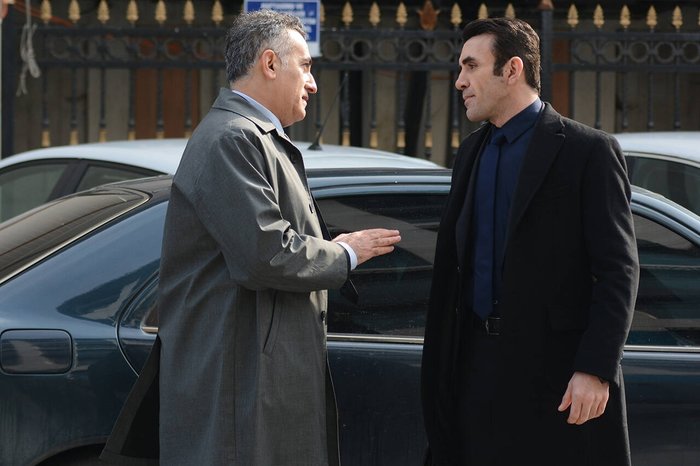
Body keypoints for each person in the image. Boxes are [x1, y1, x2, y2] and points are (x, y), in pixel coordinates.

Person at [101, 9, 401, 466]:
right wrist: (346, 252)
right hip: (240, 385)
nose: (312, 83)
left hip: (251, 378)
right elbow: (267, 254)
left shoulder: (250, 136)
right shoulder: (232, 138)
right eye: (306, 66)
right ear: (270, 63)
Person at [421, 17, 639, 466]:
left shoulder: (587, 151)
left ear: (512, 69)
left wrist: (595, 368)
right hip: (474, 370)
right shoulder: (471, 152)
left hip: (556, 379)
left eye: (471, 66)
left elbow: (618, 269)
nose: (459, 81)